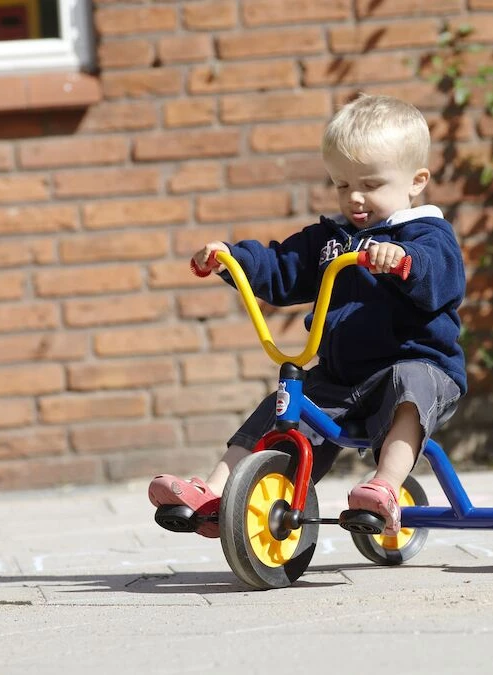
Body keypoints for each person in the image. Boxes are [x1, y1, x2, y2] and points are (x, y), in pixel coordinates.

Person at [148, 94, 466, 538]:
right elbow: (283, 267)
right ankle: (217, 492)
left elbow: (443, 279)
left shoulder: (427, 234)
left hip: (416, 364)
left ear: (416, 182)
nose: (355, 198)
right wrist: (233, 261)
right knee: (283, 404)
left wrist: (405, 262)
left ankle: (387, 485)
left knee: (410, 383)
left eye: (371, 184)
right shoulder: (331, 239)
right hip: (343, 378)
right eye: (342, 185)